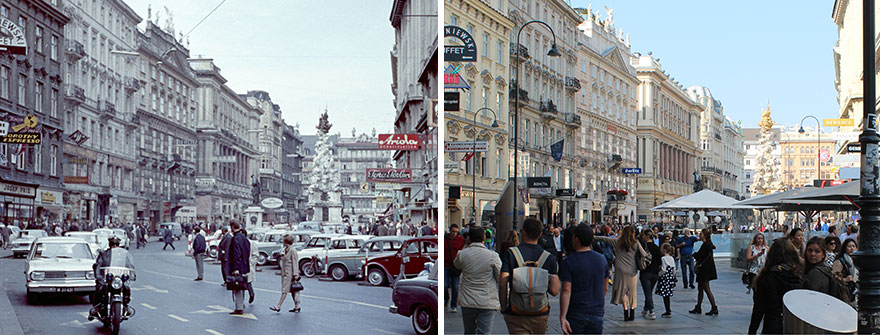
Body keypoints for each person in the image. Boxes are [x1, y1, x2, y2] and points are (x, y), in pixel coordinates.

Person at [499, 218, 560, 334]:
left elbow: (502, 282)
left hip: (516, 311)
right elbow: (555, 290)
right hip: (540, 312)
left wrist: (504, 308)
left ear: (523, 232)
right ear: (540, 234)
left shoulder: (511, 254)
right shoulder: (548, 257)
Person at [559, 224, 609, 335]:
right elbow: (605, 288)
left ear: (576, 239)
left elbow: (566, 290)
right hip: (596, 311)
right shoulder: (602, 259)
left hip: (576, 311)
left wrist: (563, 316)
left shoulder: (568, 262)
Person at [747, 238, 803, 334]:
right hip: (794, 326)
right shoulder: (798, 276)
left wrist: (752, 331)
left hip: (772, 325)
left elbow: (759, 309)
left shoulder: (766, 277)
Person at [454, 227, 502, 334]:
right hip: (487, 300)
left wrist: (466, 245)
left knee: (469, 332)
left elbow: (456, 264)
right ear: (484, 238)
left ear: (469, 238)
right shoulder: (493, 256)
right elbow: (500, 277)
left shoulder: (462, 254)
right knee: (484, 332)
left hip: (467, 300)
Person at [595, 225, 647, 322]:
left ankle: (625, 311)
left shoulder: (618, 241)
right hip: (632, 269)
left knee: (622, 290)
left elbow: (605, 239)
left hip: (620, 269)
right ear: (632, 234)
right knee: (632, 291)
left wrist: (593, 237)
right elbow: (644, 254)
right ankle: (632, 312)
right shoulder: (635, 243)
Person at [89, 236, 135, 319]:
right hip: (106, 279)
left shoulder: (123, 255)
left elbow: (129, 265)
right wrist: (98, 275)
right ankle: (97, 307)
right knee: (100, 288)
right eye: (112, 244)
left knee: (126, 288)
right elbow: (98, 265)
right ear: (109, 244)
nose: (114, 246)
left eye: (116, 244)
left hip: (118, 279)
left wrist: (132, 273)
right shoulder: (104, 254)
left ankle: (125, 306)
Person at [689, 228, 718, 316]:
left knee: (706, 288)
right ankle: (698, 307)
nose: (699, 235)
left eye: (701, 234)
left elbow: (700, 255)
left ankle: (714, 307)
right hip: (705, 268)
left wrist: (693, 255)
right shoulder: (708, 244)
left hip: (705, 269)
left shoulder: (706, 245)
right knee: (701, 288)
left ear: (704, 235)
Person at [271, 235, 301, 312]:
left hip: (290, 274)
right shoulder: (286, 250)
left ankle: (278, 306)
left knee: (285, 290)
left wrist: (295, 274)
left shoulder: (292, 250)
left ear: (286, 242)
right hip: (286, 272)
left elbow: (295, 262)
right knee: (293, 290)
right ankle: (297, 306)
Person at [226, 221, 250, 315]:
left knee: (237, 287)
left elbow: (236, 254)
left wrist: (236, 268)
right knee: (241, 285)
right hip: (244, 265)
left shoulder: (235, 239)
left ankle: (239, 307)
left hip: (238, 266)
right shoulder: (244, 238)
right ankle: (241, 304)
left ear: (232, 227)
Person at [639, 229, 661, 320]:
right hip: (655, 273)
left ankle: (651, 311)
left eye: (643, 235)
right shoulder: (656, 247)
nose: (642, 237)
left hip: (646, 272)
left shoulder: (643, 247)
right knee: (649, 292)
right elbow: (660, 261)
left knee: (648, 293)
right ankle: (646, 308)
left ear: (647, 236)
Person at [445, 224, 466, 313]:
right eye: (453, 231)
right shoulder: (444, 239)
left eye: (456, 232)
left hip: (456, 266)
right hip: (445, 265)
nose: (454, 233)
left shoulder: (460, 240)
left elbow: (463, 251)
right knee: (444, 285)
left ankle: (453, 305)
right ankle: (446, 298)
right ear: (449, 231)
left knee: (455, 287)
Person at [655, 243, 677, 318]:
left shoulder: (663, 258)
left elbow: (663, 269)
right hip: (670, 277)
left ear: (664, 250)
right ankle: (668, 310)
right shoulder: (671, 258)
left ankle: (668, 310)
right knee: (668, 294)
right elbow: (674, 269)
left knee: (665, 294)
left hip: (665, 278)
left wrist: (659, 275)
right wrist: (674, 277)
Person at [244, 229, 257, 304]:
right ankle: (241, 301)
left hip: (249, 265)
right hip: (242, 265)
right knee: (241, 282)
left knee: (248, 282)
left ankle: (251, 293)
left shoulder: (251, 243)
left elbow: (255, 254)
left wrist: (252, 262)